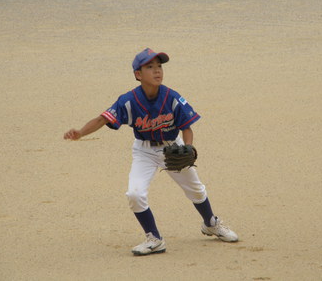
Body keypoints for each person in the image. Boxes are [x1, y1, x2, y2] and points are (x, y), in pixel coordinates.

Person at [64, 48, 238, 256]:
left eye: (159, 66)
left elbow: (187, 127)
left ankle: (210, 223)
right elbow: (103, 119)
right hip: (143, 152)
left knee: (196, 190)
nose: (157, 71)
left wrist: (188, 148)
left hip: (172, 146)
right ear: (138, 74)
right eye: (150, 67)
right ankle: (154, 239)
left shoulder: (172, 97)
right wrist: (81, 132)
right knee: (135, 194)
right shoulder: (128, 101)